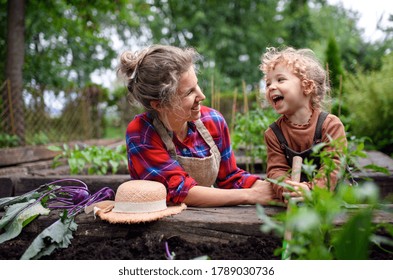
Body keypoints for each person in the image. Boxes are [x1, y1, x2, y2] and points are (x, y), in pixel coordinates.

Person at [117, 44, 275, 207]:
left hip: (206, 222)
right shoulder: (142, 133)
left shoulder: (213, 121)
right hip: (159, 226)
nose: (202, 95)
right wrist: (251, 195)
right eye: (189, 92)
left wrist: (274, 189)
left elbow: (230, 177)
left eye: (197, 85)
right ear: (159, 104)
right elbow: (180, 191)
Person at [259, 46, 347, 202]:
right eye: (268, 83)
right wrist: (288, 189)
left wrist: (311, 189)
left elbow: (333, 166)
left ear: (307, 86)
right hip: (294, 202)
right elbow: (276, 170)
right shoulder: (273, 133)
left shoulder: (330, 125)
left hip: (330, 204)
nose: (271, 86)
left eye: (280, 80)